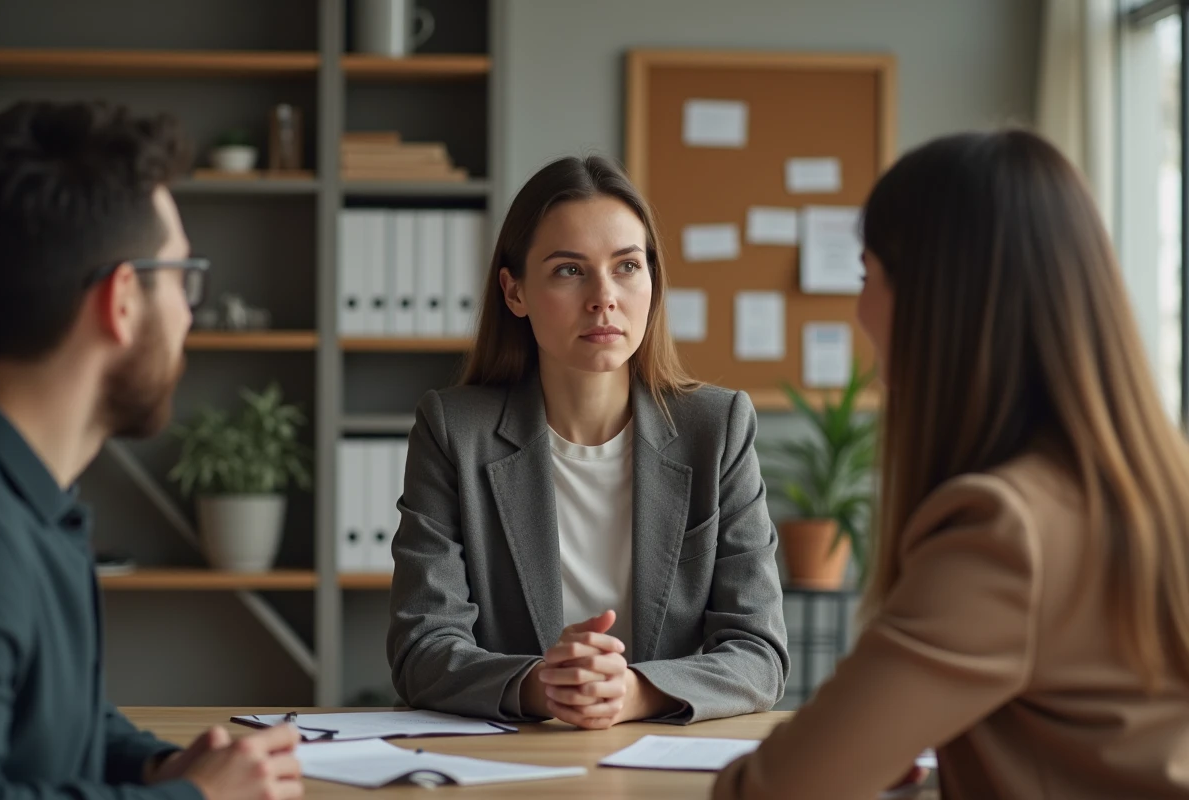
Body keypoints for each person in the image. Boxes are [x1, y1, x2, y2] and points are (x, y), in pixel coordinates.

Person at [713, 129, 1189, 798]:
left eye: (866, 276)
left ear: (936, 299)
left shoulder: (1005, 532)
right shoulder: (1158, 489)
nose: (858, 310)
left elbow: (778, 790)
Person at [387, 155, 789, 729]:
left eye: (627, 266)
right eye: (569, 271)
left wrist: (636, 693)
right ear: (515, 290)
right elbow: (420, 647)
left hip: (665, 766)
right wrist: (541, 687)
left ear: (652, 281)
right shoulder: (454, 431)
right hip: (511, 767)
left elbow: (759, 652)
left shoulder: (716, 429)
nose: (604, 297)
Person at [0, 101, 303, 800]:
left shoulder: (37, 500)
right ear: (123, 299)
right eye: (181, 278)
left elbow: (54, 722)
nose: (191, 313)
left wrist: (158, 769)